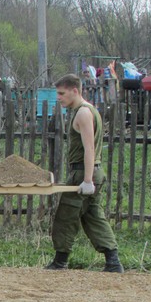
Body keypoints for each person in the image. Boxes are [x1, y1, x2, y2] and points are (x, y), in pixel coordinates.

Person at [46, 74, 124, 273]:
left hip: (84, 173)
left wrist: (87, 180)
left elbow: (89, 148)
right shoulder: (89, 110)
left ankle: (60, 262)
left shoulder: (82, 113)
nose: (59, 98)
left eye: (62, 93)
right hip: (89, 172)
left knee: (65, 216)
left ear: (75, 90)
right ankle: (113, 261)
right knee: (92, 215)